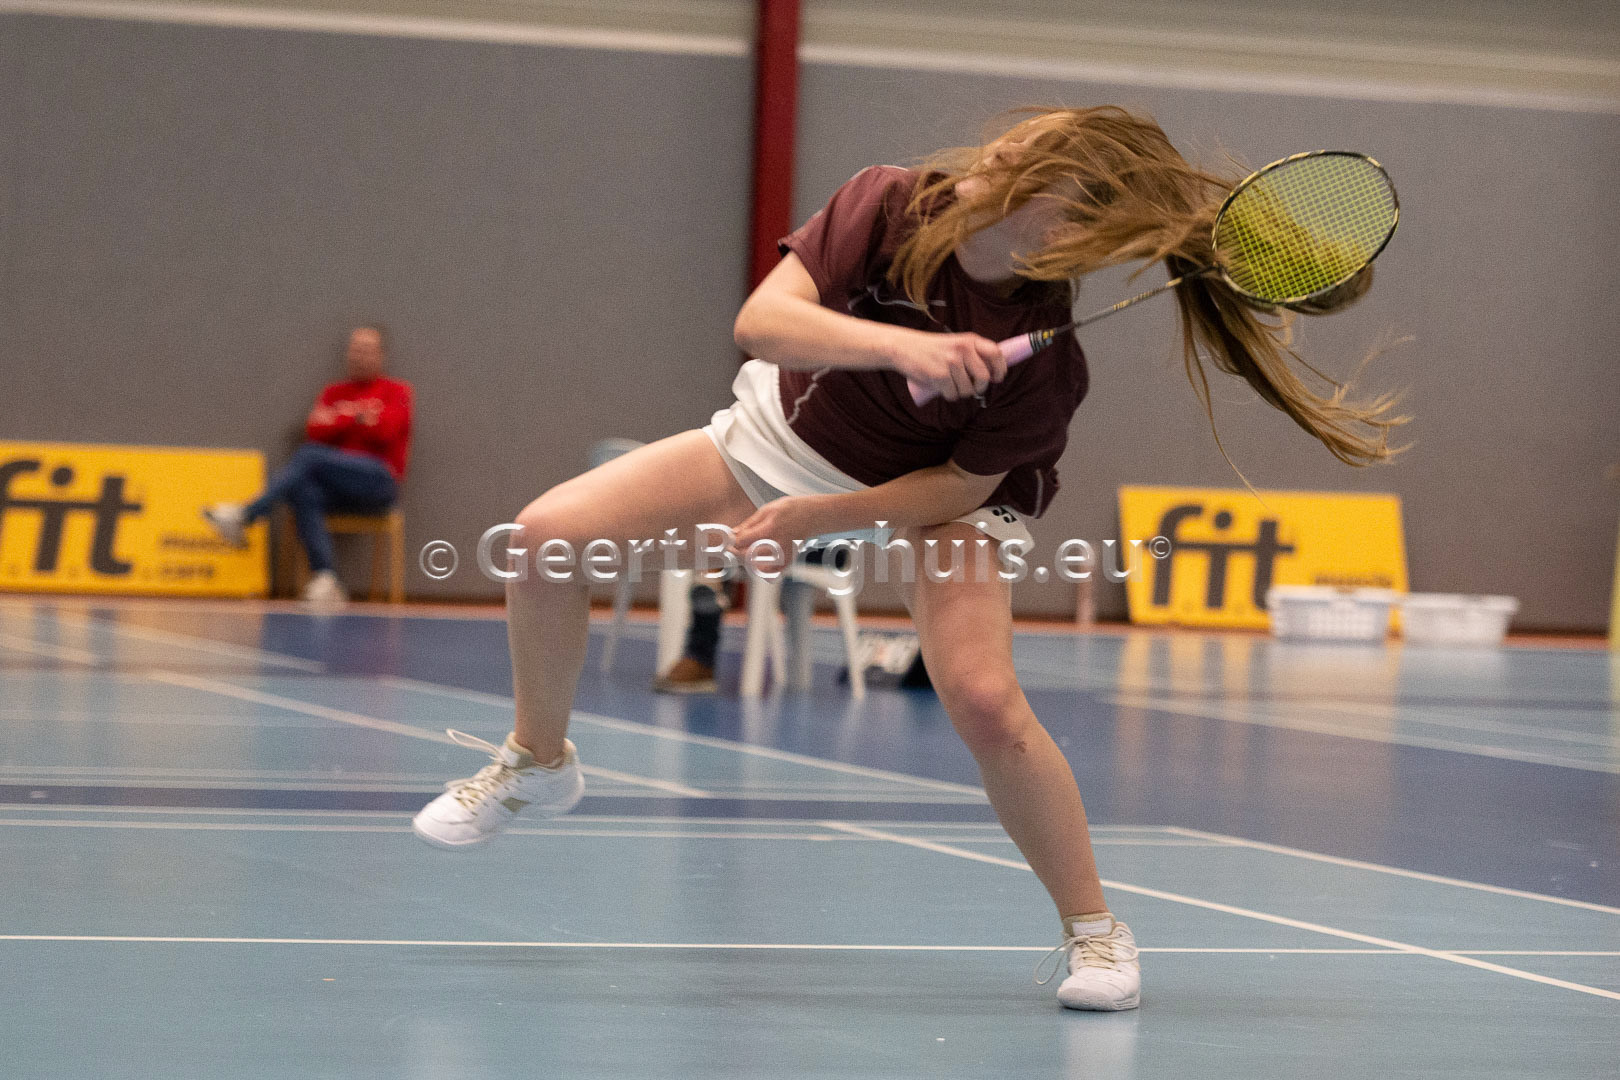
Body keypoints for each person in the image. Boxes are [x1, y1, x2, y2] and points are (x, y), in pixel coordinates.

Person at [409, 106, 1399, 1010]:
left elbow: (958, 489)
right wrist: (905, 352)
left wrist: (821, 520)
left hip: (944, 499)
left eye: (1034, 163)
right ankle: (538, 759)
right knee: (543, 540)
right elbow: (763, 323)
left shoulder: (1046, 355)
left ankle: (1096, 931)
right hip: (783, 436)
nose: (1003, 147)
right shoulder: (888, 204)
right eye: (1022, 134)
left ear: (1065, 227)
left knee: (984, 698)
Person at [205, 326, 413, 605]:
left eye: (367, 350)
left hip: (378, 482)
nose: (359, 356)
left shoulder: (397, 391)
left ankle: (246, 515)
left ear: (380, 355)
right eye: (355, 349)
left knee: (310, 456)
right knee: (303, 490)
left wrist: (341, 417)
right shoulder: (334, 392)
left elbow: (385, 432)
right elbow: (315, 429)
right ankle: (327, 579)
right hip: (337, 485)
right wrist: (359, 417)